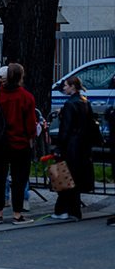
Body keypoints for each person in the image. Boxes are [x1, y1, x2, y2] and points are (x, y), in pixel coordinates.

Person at [0, 63, 37, 224]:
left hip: (0, 142)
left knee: (0, 178)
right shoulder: (26, 97)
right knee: (19, 179)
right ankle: (17, 214)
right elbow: (30, 123)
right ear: (20, 76)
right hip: (20, 143)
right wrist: (31, 137)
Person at [52, 76, 98, 220]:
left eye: (65, 85)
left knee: (65, 177)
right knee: (75, 178)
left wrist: (59, 146)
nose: (63, 88)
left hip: (71, 146)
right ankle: (74, 210)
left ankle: (62, 210)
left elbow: (65, 129)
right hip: (83, 145)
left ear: (72, 86)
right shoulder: (84, 102)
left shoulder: (70, 105)